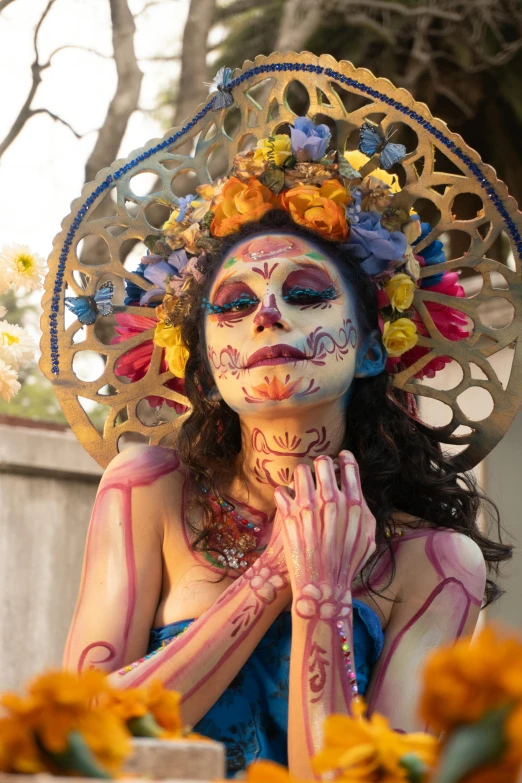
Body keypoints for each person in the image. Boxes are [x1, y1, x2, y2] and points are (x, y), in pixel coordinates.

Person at [54, 81, 515, 775]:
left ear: (369, 347)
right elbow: (77, 739)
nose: (267, 314)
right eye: (234, 305)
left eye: (304, 293)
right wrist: (275, 573)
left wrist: (324, 595)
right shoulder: (147, 493)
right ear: (206, 364)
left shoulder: (439, 565)